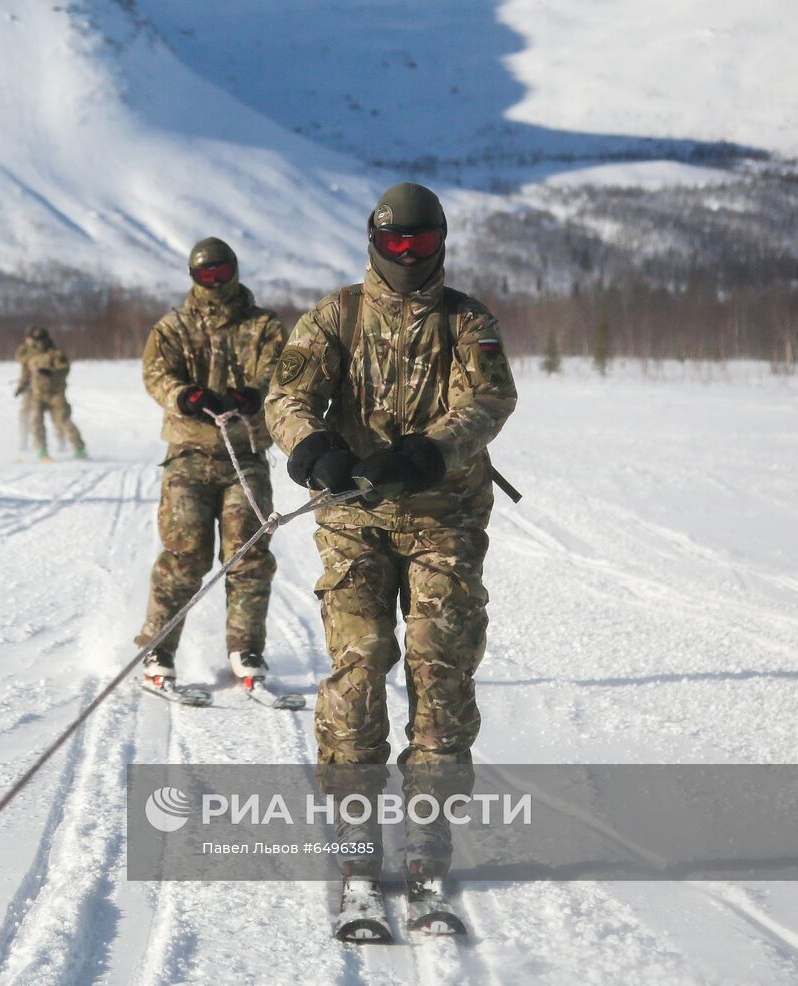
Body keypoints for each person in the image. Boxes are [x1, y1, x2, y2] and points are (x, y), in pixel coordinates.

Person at [265, 183, 518, 900]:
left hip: (445, 518)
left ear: (441, 241)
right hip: (354, 518)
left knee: (440, 667)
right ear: (373, 242)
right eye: (396, 243)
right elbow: (286, 396)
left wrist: (427, 452)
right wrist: (313, 444)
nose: (409, 255)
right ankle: (354, 827)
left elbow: (489, 400)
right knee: (362, 659)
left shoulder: (469, 322)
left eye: (423, 243)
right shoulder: (334, 317)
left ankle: (428, 833)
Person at [135, 237, 286, 700]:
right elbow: (156, 374)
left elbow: (280, 370)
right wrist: (187, 396)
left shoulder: (264, 326)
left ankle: (246, 650)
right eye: (206, 276)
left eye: (222, 273)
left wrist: (251, 395)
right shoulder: (173, 327)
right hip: (189, 455)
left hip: (244, 456)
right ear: (193, 278)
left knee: (248, 555)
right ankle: (158, 649)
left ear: (235, 271)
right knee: (185, 554)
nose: (215, 283)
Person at [14, 326, 86, 461]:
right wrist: (21, 387)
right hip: (37, 395)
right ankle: (42, 450)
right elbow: (26, 374)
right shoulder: (30, 356)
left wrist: (51, 371)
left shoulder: (55, 353)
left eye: (41, 340)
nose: (39, 343)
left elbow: (64, 369)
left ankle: (79, 448)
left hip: (55, 395)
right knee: (35, 421)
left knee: (63, 421)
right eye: (37, 340)